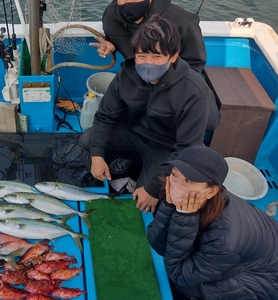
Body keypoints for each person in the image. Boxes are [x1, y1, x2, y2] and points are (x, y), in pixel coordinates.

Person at [79, 15, 212, 213]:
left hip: (166, 149)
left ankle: (145, 171)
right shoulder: (125, 75)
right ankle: (133, 160)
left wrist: (152, 188)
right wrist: (97, 155)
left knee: (146, 203)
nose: (147, 63)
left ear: (173, 56)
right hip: (132, 134)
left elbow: (187, 149)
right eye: (141, 56)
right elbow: (105, 116)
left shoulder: (195, 91)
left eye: (157, 57)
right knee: (87, 141)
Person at [147, 145, 278, 300]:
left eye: (188, 181)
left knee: (189, 286)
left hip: (266, 284)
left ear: (210, 192)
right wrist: (170, 204)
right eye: (174, 174)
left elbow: (178, 273)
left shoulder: (225, 239)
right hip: (250, 257)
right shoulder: (200, 200)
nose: (176, 184)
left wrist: (184, 217)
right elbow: (157, 241)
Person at [91, 0, 206, 73]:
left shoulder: (182, 22)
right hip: (133, 74)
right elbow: (113, 36)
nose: (128, 1)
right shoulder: (111, 15)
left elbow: (195, 63)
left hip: (172, 81)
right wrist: (111, 45)